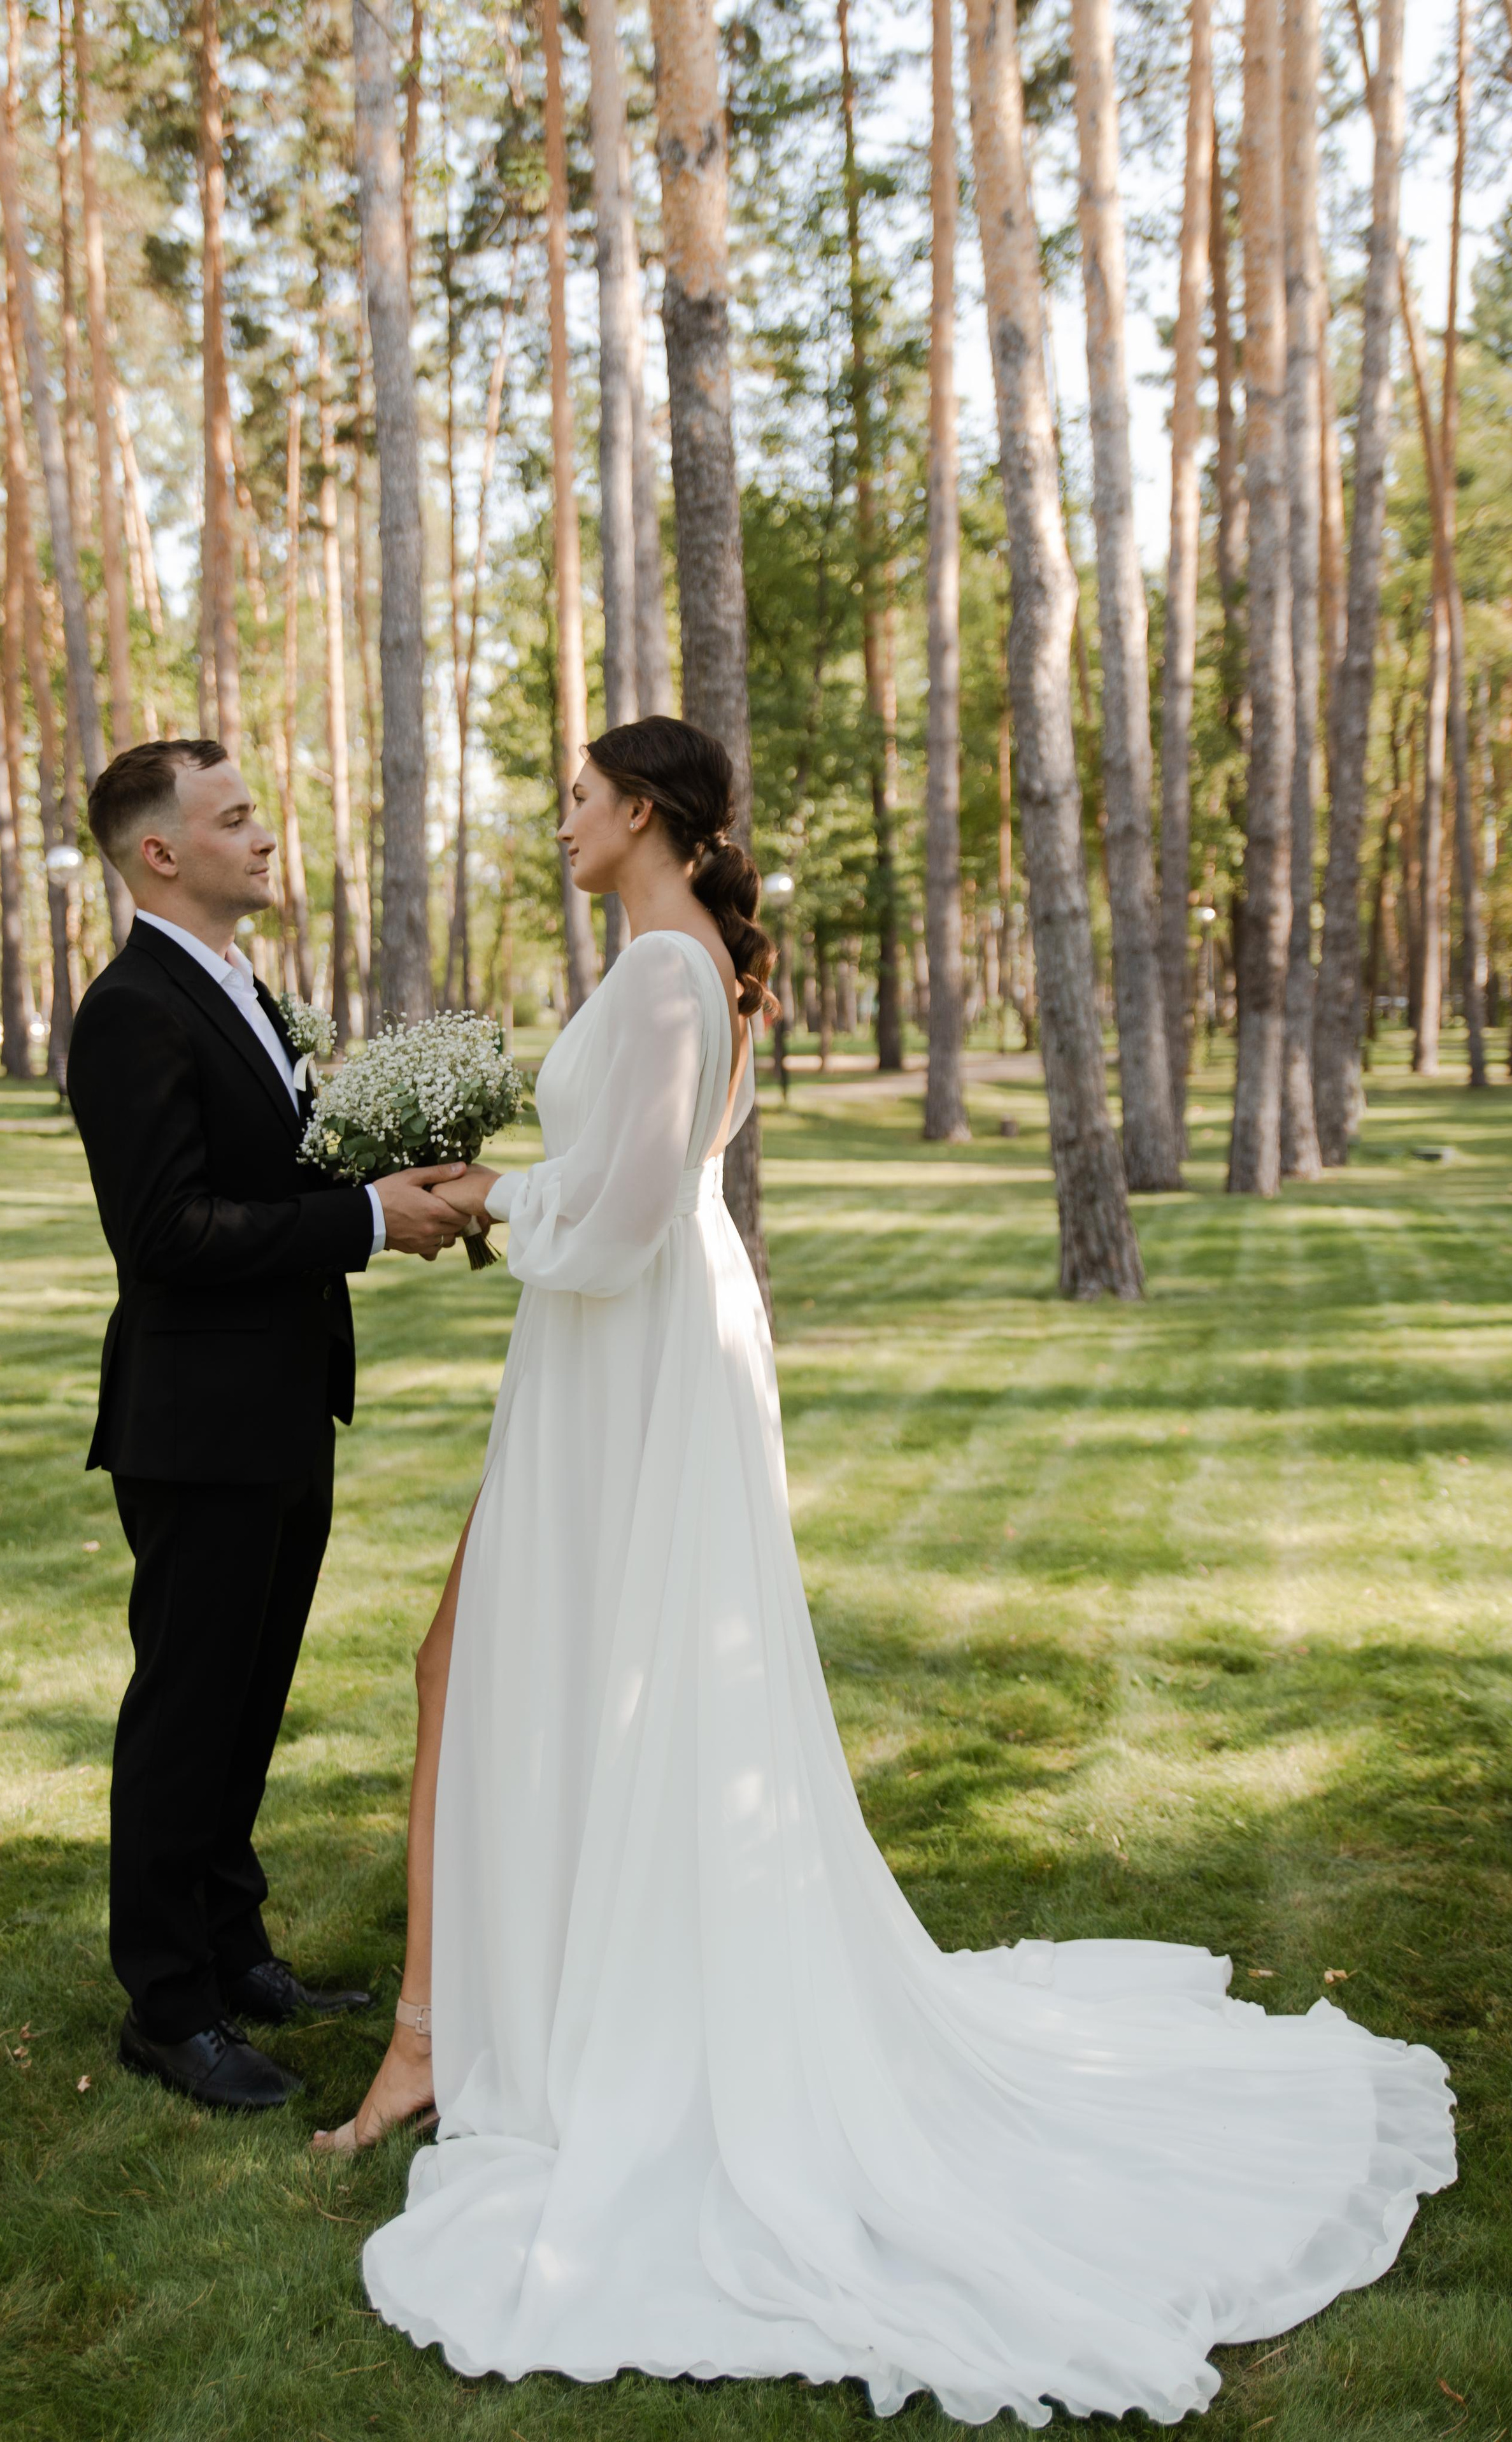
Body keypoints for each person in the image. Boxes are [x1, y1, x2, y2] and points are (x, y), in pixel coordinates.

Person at [338, 715, 1455, 2424]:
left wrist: (489, 1192)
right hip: (634, 1345)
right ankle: (510, 1992)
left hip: (630, 1337)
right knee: (551, 1653)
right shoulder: (674, 958)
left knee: (564, 1651)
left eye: (576, 799)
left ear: (643, 812)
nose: (557, 823)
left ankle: (540, 2019)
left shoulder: (658, 973)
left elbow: (624, 1215)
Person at [69, 738, 469, 2113]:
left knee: (247, 1704)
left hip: (286, 1402)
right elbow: (167, 1233)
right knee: (184, 1711)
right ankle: (165, 2007)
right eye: (234, 819)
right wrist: (362, 1223)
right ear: (160, 854)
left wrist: (388, 1185)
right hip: (196, 1418)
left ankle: (234, 1951)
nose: (263, 835)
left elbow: (274, 1176)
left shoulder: (243, 989)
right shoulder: (132, 1010)